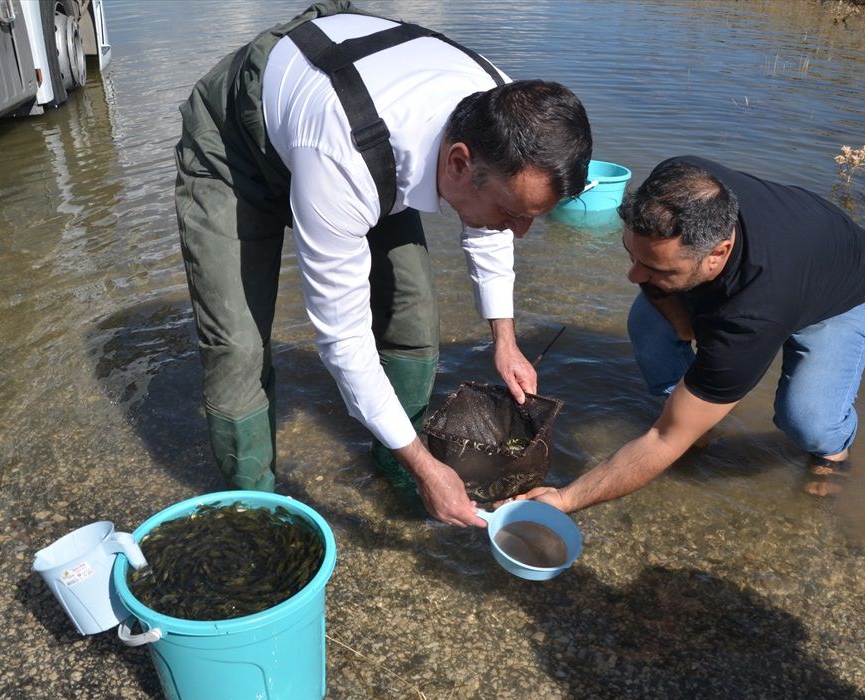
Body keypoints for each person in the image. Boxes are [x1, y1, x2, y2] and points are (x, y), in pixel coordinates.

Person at [173, 1, 592, 527]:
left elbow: (492, 227)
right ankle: (253, 509)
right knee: (238, 348)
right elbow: (343, 339)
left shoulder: (508, 112)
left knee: (413, 318)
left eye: (533, 216)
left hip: (358, 122)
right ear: (459, 163)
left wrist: (504, 339)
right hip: (239, 149)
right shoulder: (343, 156)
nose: (522, 230)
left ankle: (392, 455)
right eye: (514, 213)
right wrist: (427, 467)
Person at [520, 156, 865, 511]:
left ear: (719, 252)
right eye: (633, 255)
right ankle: (695, 419)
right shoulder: (675, 183)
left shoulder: (751, 318)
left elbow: (661, 440)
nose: (632, 276)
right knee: (649, 326)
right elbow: (649, 265)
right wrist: (677, 317)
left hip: (845, 295)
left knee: (807, 419)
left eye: (656, 269)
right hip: (789, 256)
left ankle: (833, 454)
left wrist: (566, 498)